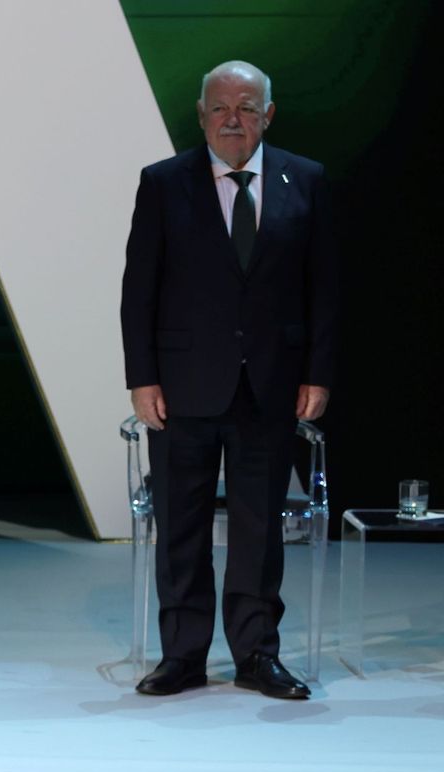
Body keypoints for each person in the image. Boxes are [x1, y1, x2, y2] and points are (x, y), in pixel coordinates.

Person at [121, 60, 335, 699]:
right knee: (180, 524)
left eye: (246, 107)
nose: (232, 119)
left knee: (260, 528)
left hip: (271, 383)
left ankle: (256, 656)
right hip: (182, 385)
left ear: (268, 114)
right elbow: (140, 290)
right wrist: (142, 378)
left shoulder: (308, 180)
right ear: (201, 115)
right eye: (220, 107)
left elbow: (324, 288)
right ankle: (182, 657)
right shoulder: (163, 183)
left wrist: (318, 373)